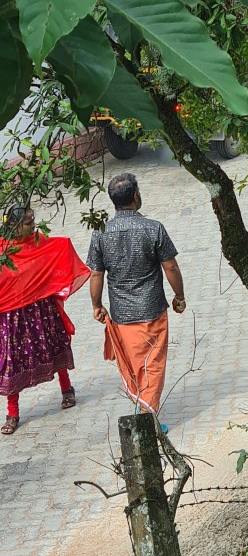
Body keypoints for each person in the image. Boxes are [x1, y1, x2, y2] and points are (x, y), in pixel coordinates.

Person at [87, 174, 186, 416]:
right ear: (135, 196)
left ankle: (144, 409)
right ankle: (147, 417)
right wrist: (180, 297)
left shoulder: (101, 233)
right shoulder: (153, 228)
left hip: (122, 316)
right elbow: (170, 267)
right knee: (152, 365)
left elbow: (96, 274)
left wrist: (96, 305)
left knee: (135, 365)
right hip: (152, 311)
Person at [0, 206, 90, 435]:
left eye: (33, 221)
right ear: (13, 226)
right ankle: (12, 412)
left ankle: (66, 388)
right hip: (11, 316)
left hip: (40, 308)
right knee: (12, 360)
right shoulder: (2, 250)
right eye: (28, 223)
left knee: (54, 345)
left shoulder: (38, 242)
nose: (33, 225)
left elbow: (58, 252)